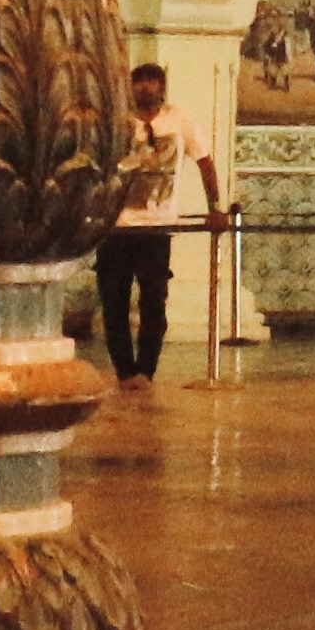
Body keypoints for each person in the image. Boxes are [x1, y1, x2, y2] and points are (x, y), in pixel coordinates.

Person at [96, 61, 223, 389]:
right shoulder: (116, 121)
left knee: (154, 300)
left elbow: (204, 161)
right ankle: (124, 371)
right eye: (140, 82)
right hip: (117, 226)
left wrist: (215, 208)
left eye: (153, 81)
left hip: (157, 226)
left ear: (162, 86)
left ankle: (146, 370)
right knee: (114, 300)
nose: (146, 88)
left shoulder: (178, 119)